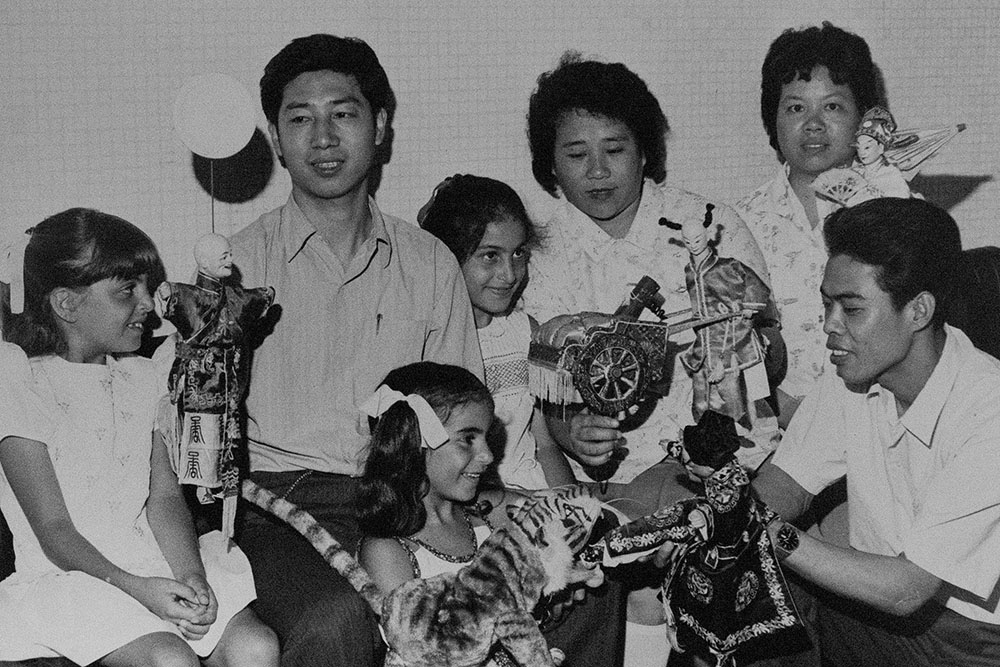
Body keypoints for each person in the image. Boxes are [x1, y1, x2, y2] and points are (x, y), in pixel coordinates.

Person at [227, 34, 483, 666]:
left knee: (575, 583)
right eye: (299, 118)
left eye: (342, 114)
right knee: (338, 617)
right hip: (278, 509)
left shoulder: (427, 262)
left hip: (398, 499)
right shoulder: (236, 265)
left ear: (380, 126)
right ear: (276, 138)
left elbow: (460, 418)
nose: (322, 137)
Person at [522, 51, 775, 667]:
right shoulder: (534, 252)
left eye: (616, 147)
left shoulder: (708, 226)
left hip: (717, 454)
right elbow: (539, 391)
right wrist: (570, 430)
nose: (599, 170)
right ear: (550, 164)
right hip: (597, 481)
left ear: (644, 151)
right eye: (576, 154)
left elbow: (766, 348)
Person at [0, 208, 277, 667]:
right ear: (67, 303)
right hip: (75, 577)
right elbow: (53, 530)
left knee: (256, 647)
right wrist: (137, 588)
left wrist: (191, 574)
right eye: (128, 290)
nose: (149, 303)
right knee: (170, 661)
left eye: (146, 287)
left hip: (156, 562)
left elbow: (163, 497)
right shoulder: (20, 385)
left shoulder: (143, 378)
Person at [738, 197, 1000, 665]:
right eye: (826, 305)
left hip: (966, 639)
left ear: (918, 311)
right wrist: (713, 521)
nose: (829, 326)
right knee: (741, 596)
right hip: (871, 613)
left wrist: (761, 531)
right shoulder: (853, 372)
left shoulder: (990, 411)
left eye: (851, 309)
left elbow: (906, 589)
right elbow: (785, 484)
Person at [357, 361, 624, 666]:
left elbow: (572, 510)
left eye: (486, 437)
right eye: (467, 439)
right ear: (415, 440)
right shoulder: (388, 551)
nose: (487, 455)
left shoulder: (490, 510)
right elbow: (422, 650)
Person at [735, 22, 882, 427]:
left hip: (881, 424)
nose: (813, 124)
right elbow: (730, 348)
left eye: (832, 106)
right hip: (776, 427)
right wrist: (786, 414)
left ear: (863, 119)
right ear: (773, 119)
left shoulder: (895, 209)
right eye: (796, 107)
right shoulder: (736, 224)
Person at [418, 174, 574, 490]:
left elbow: (545, 443)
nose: (509, 274)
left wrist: (574, 507)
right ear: (449, 256)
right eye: (491, 255)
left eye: (518, 253)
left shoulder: (525, 333)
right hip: (472, 508)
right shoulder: (427, 345)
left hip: (535, 497)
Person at [154, 233, 275, 540]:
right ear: (203, 262)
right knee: (200, 440)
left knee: (230, 442)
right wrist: (166, 293)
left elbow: (256, 299)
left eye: (228, 254)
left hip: (231, 387)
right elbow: (171, 296)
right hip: (200, 385)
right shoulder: (188, 295)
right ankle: (201, 497)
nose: (229, 261)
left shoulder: (234, 296)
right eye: (222, 257)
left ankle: (221, 504)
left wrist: (265, 295)